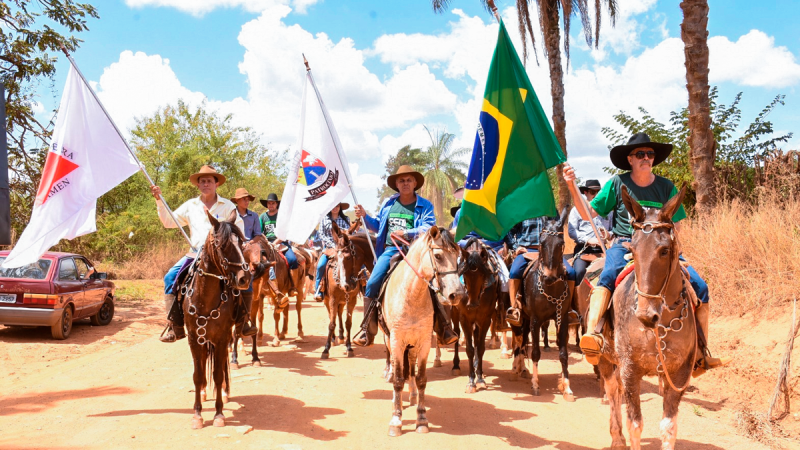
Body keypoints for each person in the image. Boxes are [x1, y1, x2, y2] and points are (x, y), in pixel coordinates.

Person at [562, 132, 730, 374]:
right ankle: (593, 336)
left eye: (650, 154)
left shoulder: (666, 187)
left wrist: (674, 249)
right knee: (608, 276)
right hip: (625, 244)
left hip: (661, 248)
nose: (646, 158)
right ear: (630, 159)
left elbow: (677, 224)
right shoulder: (617, 184)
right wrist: (570, 184)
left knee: (700, 287)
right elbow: (589, 212)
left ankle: (700, 352)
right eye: (640, 154)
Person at [352, 165, 457, 347]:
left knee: (433, 284)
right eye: (402, 180)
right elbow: (377, 226)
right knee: (372, 282)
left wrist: (407, 233)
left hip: (416, 251)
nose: (405, 183)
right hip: (392, 249)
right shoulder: (388, 204)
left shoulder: (425, 205)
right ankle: (367, 329)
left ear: (415, 183)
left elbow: (428, 227)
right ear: (397, 185)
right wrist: (365, 217)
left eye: (409, 180)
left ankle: (444, 327)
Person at [151, 165, 255, 343]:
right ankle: (175, 326)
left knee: (245, 278)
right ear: (198, 185)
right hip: (195, 254)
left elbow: (239, 229)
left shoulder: (228, 207)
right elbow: (169, 222)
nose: (206, 184)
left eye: (209, 181)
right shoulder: (190, 205)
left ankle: (243, 322)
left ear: (216, 184)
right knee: (169, 278)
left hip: (224, 256)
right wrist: (159, 200)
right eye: (203, 181)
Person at [568, 179, 611, 284]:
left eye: (598, 192)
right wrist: (588, 240)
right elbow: (571, 231)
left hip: (603, 250)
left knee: (612, 271)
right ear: (585, 193)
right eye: (592, 192)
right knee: (579, 271)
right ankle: (575, 299)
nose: (596, 195)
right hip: (583, 249)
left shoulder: (608, 211)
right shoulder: (576, 210)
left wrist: (608, 234)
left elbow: (613, 230)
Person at [259, 193, 299, 294]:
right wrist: (267, 242)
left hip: (282, 242)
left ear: (277, 204)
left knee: (292, 260)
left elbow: (284, 232)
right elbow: (259, 232)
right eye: (269, 203)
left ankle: (293, 286)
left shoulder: (282, 216)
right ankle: (256, 285)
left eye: (273, 203)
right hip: (266, 243)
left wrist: (275, 242)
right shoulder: (263, 217)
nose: (271, 205)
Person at [314, 202, 351, 301]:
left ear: (340, 207)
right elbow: (321, 234)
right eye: (333, 206)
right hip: (329, 248)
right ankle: (318, 289)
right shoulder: (324, 219)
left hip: (343, 248)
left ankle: (364, 285)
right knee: (320, 265)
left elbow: (348, 233)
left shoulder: (346, 219)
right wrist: (333, 245)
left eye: (337, 206)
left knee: (358, 262)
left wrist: (341, 245)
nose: (335, 208)